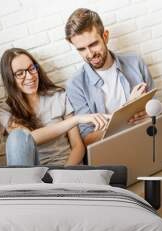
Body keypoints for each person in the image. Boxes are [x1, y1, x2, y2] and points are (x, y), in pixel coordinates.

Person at [0, 48, 109, 166]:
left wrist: (63, 173)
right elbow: (27, 139)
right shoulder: (3, 110)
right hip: (34, 174)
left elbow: (78, 146)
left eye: (31, 68)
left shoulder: (59, 96)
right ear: (9, 78)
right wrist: (76, 119)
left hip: (67, 167)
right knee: (18, 137)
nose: (29, 77)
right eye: (20, 73)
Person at [65, 8, 155, 146]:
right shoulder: (76, 85)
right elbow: (87, 139)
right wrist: (127, 111)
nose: (89, 54)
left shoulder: (135, 62)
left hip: (148, 137)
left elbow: (156, 105)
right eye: (81, 49)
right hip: (114, 149)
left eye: (93, 44)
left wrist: (151, 114)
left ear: (105, 36)